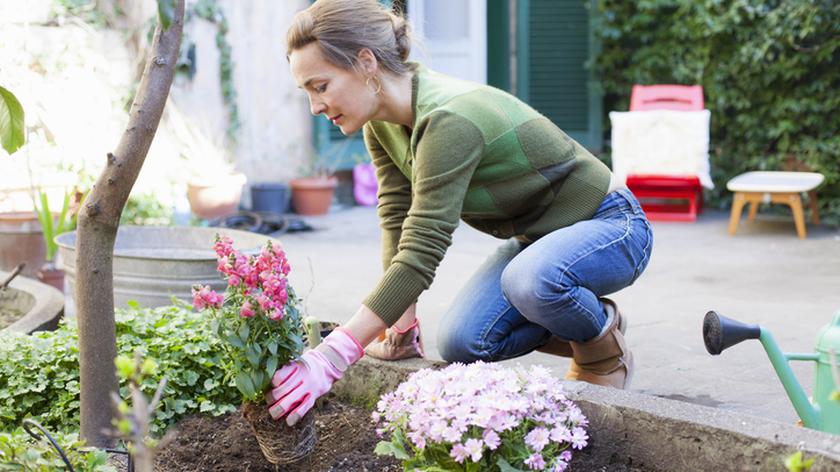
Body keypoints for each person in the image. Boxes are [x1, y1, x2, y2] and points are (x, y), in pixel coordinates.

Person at [267, 0, 653, 426]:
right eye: (306, 92)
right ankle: (585, 317)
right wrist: (401, 327)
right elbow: (397, 216)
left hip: (612, 224)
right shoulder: (381, 121)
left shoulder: (448, 119)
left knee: (530, 282)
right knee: (464, 343)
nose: (315, 106)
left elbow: (422, 249)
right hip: (540, 243)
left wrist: (332, 356)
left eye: (320, 86)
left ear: (365, 62)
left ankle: (601, 347)